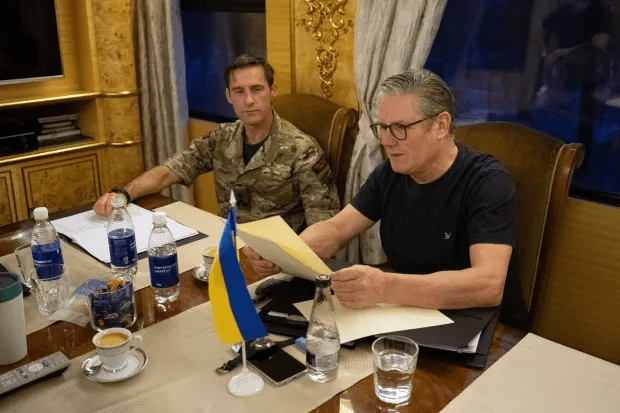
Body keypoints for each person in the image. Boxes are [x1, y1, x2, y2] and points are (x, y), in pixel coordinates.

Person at [248, 69, 522, 319]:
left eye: (401, 128)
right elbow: (335, 229)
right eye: (383, 128)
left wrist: (383, 286)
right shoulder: (390, 174)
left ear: (440, 125)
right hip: (408, 310)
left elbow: (488, 285)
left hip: (475, 322)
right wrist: (285, 254)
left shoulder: (487, 182)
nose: (388, 141)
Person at [93, 55, 340, 235]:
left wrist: (285, 257)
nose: (249, 101)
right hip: (228, 245)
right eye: (239, 91)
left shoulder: (303, 150)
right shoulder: (221, 138)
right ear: (228, 96)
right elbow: (170, 170)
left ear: (272, 91)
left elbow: (323, 226)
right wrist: (124, 194)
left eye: (257, 89)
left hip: (279, 258)